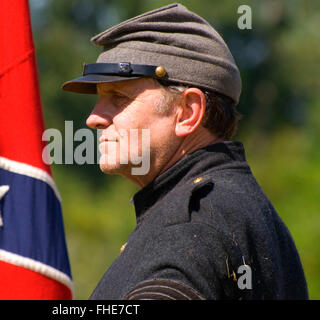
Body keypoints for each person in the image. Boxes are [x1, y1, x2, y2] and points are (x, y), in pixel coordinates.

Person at [61, 3, 308, 300]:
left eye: (119, 98)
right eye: (100, 99)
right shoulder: (234, 205)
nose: (94, 118)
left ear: (188, 112)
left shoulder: (190, 222)